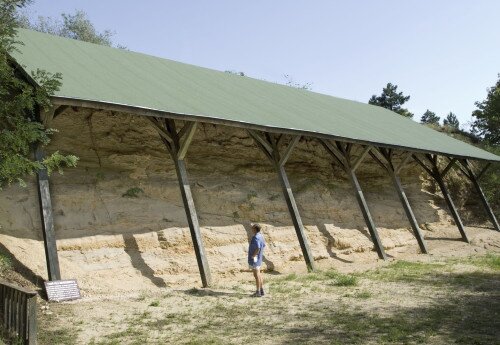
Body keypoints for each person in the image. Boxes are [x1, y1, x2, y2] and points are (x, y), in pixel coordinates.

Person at [248, 223, 266, 297]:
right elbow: (263, 245)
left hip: (255, 258)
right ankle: (261, 290)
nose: (251, 229)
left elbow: (258, 248)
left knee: (256, 274)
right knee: (258, 274)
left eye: (252, 228)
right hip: (259, 258)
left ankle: (258, 292)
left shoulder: (256, 237)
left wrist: (253, 256)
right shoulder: (261, 236)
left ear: (255, 229)